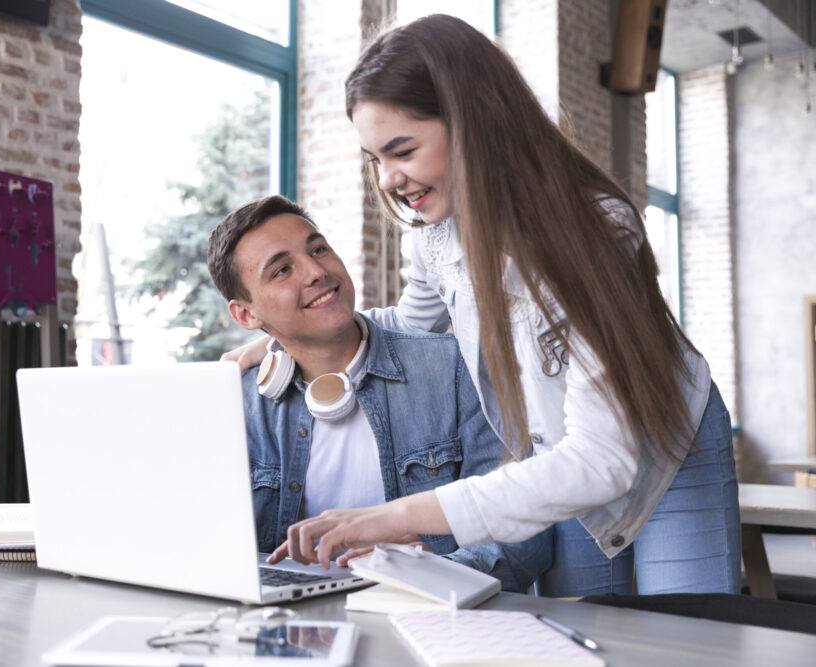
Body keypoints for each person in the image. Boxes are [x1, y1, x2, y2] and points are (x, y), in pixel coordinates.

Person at [230, 15, 741, 597]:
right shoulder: (432, 236)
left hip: (664, 447)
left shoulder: (595, 228)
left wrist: (391, 517)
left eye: (402, 150)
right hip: (560, 460)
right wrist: (288, 336)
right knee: (590, 630)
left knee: (688, 642)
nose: (390, 179)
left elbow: (604, 458)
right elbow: (410, 326)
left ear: (474, 122)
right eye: (375, 158)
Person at [206, 194, 552, 593]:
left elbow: (523, 536)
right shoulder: (236, 405)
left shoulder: (456, 368)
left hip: (429, 616)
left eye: (318, 249)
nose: (316, 270)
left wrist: (427, 570)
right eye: (282, 270)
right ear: (246, 314)